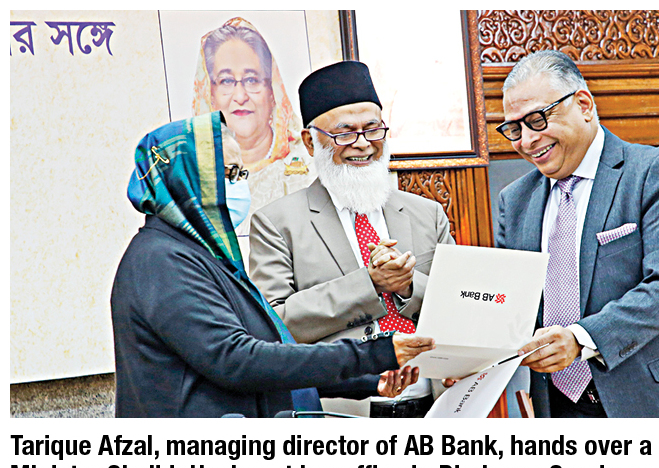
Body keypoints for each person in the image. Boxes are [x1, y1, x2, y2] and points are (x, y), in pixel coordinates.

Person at [111, 111, 434, 418]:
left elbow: (270, 352)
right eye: (228, 174)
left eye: (241, 173)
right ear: (187, 181)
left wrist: (366, 381)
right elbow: (236, 360)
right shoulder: (162, 260)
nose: (239, 185)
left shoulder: (203, 253)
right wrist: (373, 354)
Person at [495, 50, 659, 418]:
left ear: (583, 105)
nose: (527, 140)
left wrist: (580, 339)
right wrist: (468, 361)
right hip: (563, 411)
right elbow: (512, 308)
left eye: (537, 120)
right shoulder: (514, 201)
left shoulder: (656, 171)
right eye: (514, 129)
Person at [249, 61, 455, 417]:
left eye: (373, 130)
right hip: (343, 412)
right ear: (310, 142)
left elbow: (457, 305)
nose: (363, 144)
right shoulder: (276, 223)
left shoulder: (427, 213)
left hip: (434, 407)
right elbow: (273, 329)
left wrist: (408, 286)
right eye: (344, 134)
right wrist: (368, 284)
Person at [193, 17, 316, 236]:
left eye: (251, 80)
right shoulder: (193, 172)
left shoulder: (308, 163)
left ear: (272, 91)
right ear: (210, 94)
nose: (240, 96)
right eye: (226, 81)